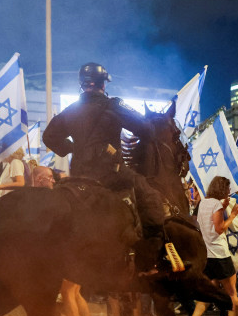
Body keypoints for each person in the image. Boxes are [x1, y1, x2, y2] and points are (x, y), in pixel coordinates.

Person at [42, 62, 170, 274]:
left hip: (79, 176)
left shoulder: (71, 109)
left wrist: (72, 147)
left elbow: (49, 137)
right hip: (111, 173)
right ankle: (150, 260)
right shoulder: (114, 105)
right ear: (103, 84)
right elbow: (147, 129)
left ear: (82, 85)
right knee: (151, 197)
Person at [186, 176, 238, 316]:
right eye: (227, 189)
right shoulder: (216, 204)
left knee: (209, 293)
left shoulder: (203, 203)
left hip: (207, 255)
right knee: (232, 295)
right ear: (221, 189)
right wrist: (232, 215)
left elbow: (206, 224)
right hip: (220, 255)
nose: (229, 192)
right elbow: (219, 228)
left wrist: (222, 208)